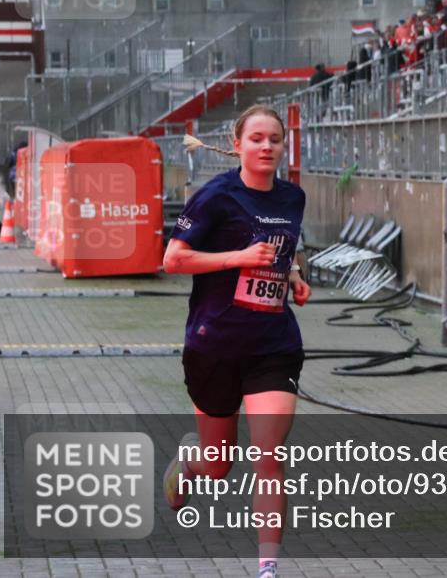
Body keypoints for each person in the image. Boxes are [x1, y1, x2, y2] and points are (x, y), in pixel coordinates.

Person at [162, 104, 311, 578]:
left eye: (275, 139)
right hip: (214, 345)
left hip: (273, 344)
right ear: (239, 143)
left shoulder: (292, 198)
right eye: (257, 139)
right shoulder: (215, 197)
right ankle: (191, 464)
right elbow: (174, 260)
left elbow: (289, 246)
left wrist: (296, 276)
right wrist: (239, 257)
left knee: (269, 454)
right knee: (218, 465)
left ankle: (267, 568)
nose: (267, 147)